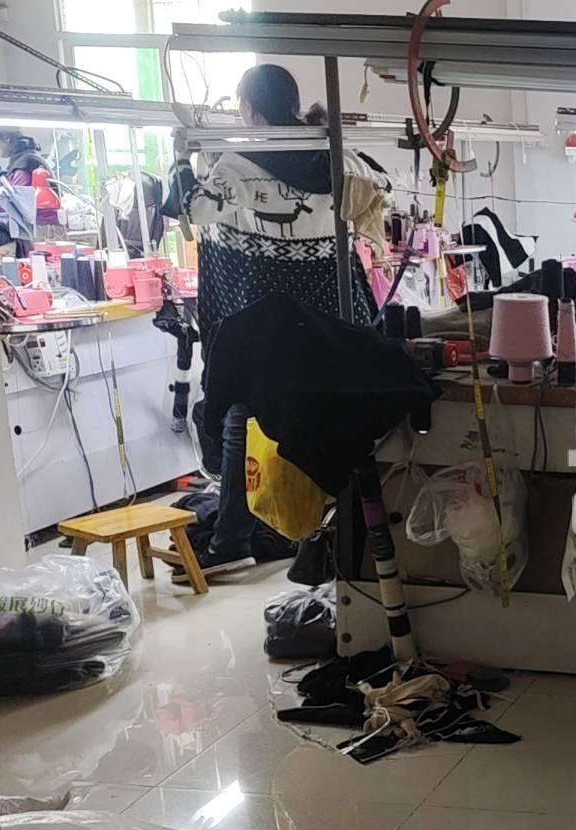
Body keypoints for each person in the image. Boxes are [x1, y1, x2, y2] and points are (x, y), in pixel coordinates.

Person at [164, 63, 389, 574]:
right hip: (330, 319)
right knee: (330, 422)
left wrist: (182, 158)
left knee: (242, 414)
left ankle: (233, 536)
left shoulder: (238, 165)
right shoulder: (335, 155)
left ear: (249, 108)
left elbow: (193, 209)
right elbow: (378, 187)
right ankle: (314, 526)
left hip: (266, 325)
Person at [0, 127, 62, 254]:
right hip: (34, 229)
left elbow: (13, 202)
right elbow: (6, 196)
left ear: (6, 139)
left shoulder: (24, 165)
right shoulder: (24, 159)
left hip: (40, 231)